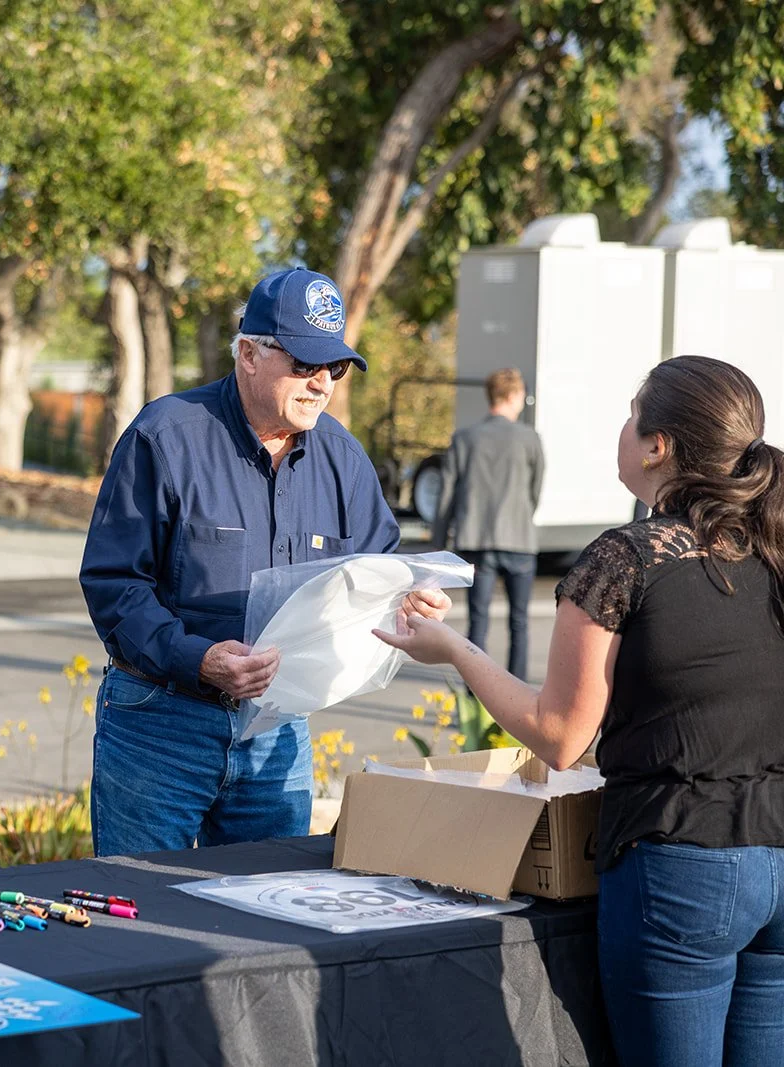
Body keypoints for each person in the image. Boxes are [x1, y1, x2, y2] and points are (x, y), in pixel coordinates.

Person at [378, 355, 784, 1066]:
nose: (624, 429)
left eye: (633, 415)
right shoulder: (774, 549)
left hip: (684, 862)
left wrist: (456, 650)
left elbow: (561, 738)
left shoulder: (626, 559)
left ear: (658, 444)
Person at [80, 268, 449, 856]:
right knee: (141, 908)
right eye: (304, 365)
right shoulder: (165, 437)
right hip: (160, 724)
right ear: (249, 354)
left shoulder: (344, 459)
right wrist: (196, 658)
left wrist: (409, 599)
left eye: (336, 368)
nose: (322, 384)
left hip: (279, 730)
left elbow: (376, 571)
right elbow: (113, 582)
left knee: (270, 917)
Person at [431, 368, 546, 679]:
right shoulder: (530, 438)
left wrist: (439, 542)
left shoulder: (465, 438)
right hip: (519, 540)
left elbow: (447, 494)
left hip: (476, 540)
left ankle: (474, 693)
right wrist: (522, 516)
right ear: (512, 396)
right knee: (519, 622)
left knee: (478, 620)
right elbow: (535, 491)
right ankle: (517, 691)